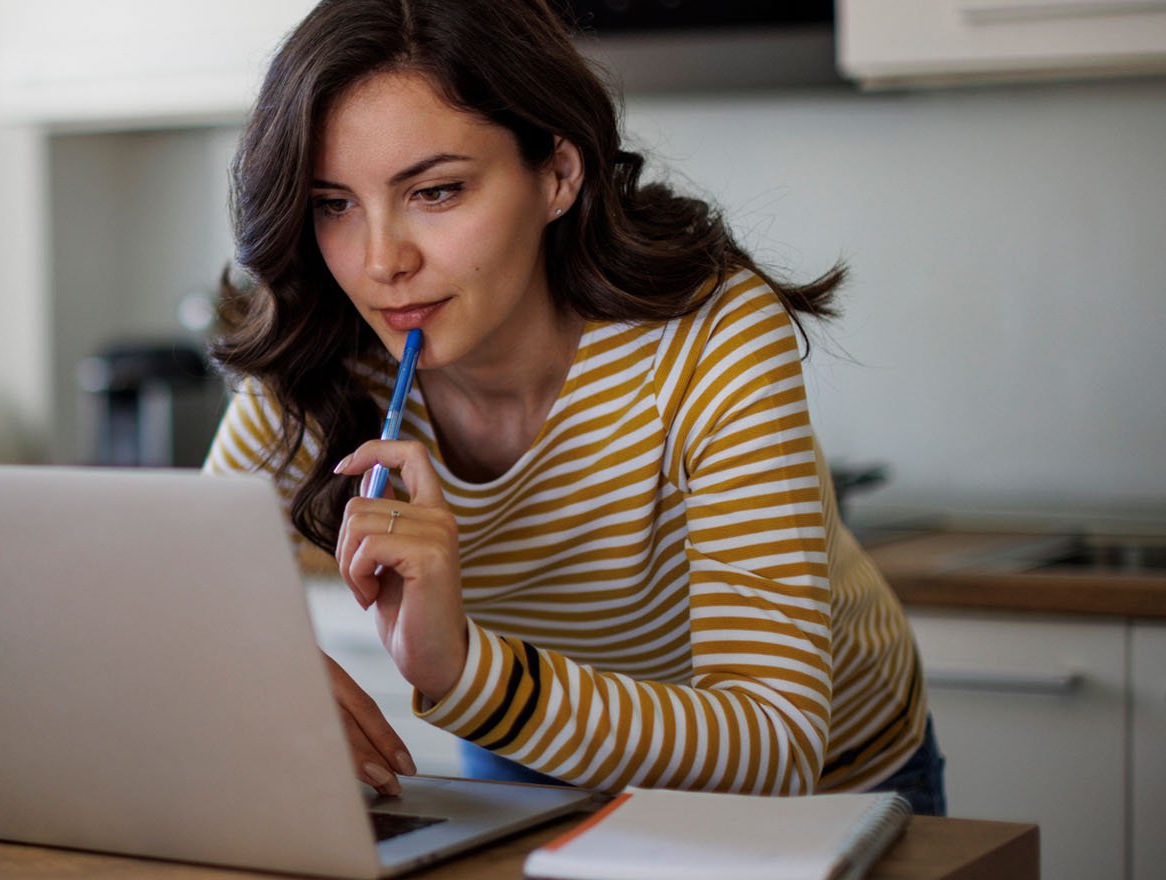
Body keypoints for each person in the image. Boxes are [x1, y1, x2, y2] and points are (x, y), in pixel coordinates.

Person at [201, 0, 945, 816]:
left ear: (557, 172)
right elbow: (178, 590)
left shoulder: (709, 334)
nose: (382, 262)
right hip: (532, 756)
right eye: (333, 204)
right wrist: (257, 665)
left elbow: (777, 740)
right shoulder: (323, 355)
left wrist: (460, 673)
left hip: (820, 790)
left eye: (438, 192)